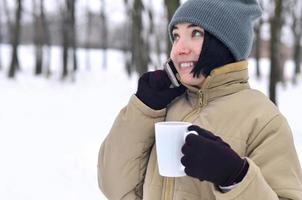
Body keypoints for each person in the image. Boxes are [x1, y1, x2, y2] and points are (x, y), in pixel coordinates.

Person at [98, 0, 302, 199]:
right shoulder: (164, 105)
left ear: (226, 43)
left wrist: (235, 177)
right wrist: (143, 109)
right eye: (176, 36)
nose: (178, 49)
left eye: (195, 33)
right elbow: (115, 188)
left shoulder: (263, 118)